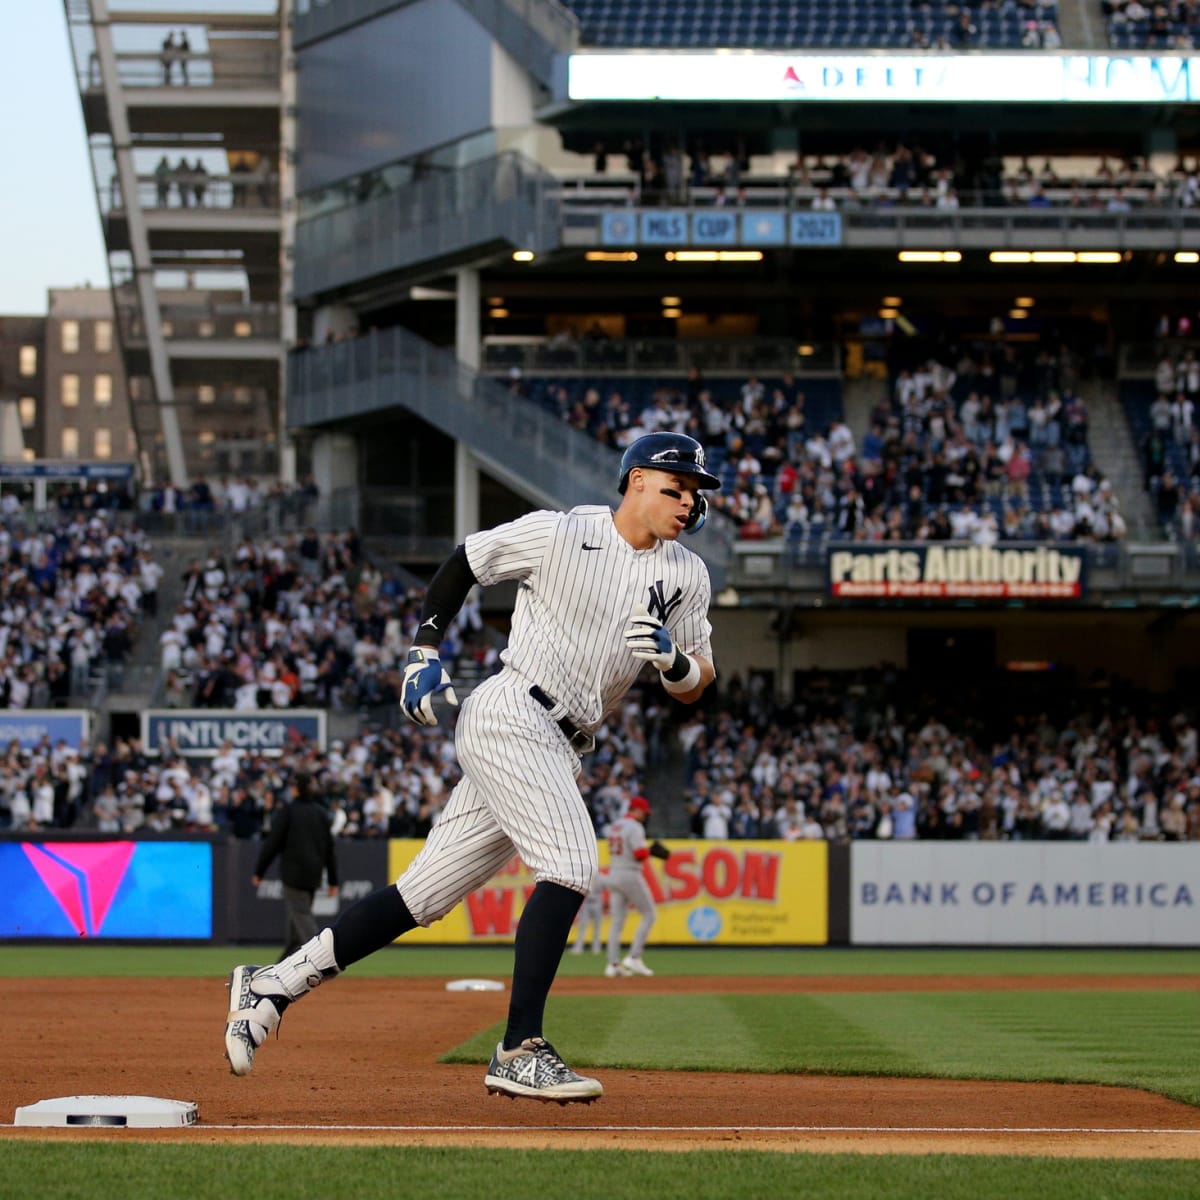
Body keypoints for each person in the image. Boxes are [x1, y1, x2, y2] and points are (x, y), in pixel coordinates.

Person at [223, 430, 719, 1103]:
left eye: (695, 493)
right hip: (514, 711)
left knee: (421, 897)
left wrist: (677, 663)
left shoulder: (687, 574)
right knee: (573, 864)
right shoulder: (562, 532)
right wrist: (423, 650)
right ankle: (520, 1048)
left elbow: (700, 682)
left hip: (561, 742)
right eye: (676, 487)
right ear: (636, 480)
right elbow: (468, 560)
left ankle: (273, 984)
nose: (688, 502)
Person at [251, 772, 339, 958]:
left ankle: (322, 957)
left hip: (293, 876)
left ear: (296, 789)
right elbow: (329, 849)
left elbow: (272, 843)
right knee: (296, 932)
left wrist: (259, 871)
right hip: (314, 876)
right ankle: (280, 971)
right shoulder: (321, 813)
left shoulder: (288, 811)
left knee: (304, 924)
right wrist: (333, 880)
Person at [603, 795, 670, 978]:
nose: (645, 816)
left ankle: (613, 964)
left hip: (614, 873)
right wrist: (651, 850)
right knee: (649, 914)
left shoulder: (615, 825)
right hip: (629, 873)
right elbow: (639, 853)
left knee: (617, 922)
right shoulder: (634, 826)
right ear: (637, 810)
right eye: (644, 812)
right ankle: (634, 956)